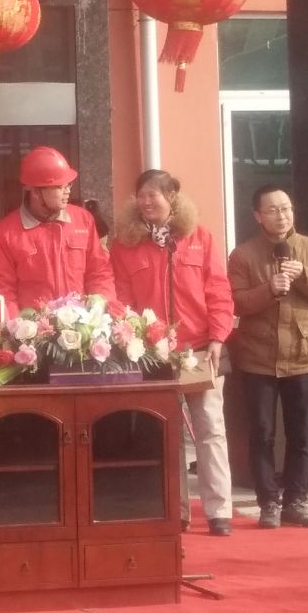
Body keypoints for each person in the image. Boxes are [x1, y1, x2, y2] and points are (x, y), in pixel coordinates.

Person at [110, 170, 235, 536]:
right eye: (141, 195)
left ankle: (219, 511)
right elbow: (121, 299)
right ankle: (174, 510)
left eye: (155, 195)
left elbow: (218, 289)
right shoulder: (125, 244)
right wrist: (132, 340)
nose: (147, 202)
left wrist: (218, 336)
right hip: (153, 353)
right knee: (166, 433)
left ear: (173, 197)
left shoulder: (199, 237)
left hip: (199, 348)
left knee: (210, 429)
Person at [228, 185, 308, 530]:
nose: (282, 216)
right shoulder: (243, 255)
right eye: (273, 210)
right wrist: (269, 289)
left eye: (287, 208)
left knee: (301, 434)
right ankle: (268, 503)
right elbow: (235, 302)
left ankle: (296, 501)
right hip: (258, 358)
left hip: (303, 355)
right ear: (258, 216)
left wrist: (303, 274)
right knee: (262, 434)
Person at [0, 146, 115, 313]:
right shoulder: (6, 233)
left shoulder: (83, 220)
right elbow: (5, 291)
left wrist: (101, 310)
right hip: (33, 328)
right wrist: (17, 326)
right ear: (36, 192)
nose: (68, 191)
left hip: (82, 324)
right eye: (60, 187)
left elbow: (99, 272)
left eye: (69, 185)